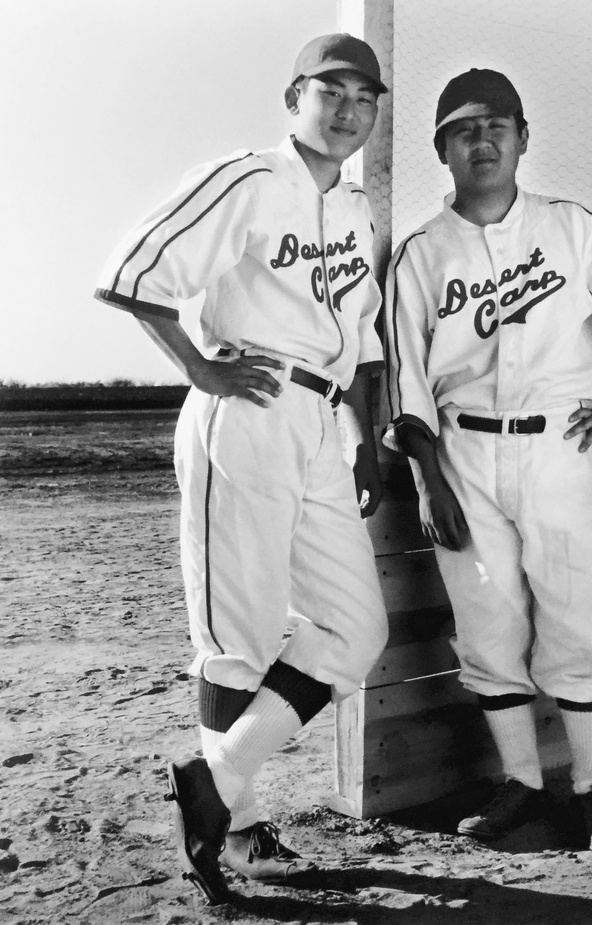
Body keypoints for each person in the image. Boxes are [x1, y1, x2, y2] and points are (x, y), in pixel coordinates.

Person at [95, 34, 389, 904]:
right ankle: (241, 826)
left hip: (321, 418)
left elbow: (361, 337)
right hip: (249, 403)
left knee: (355, 629)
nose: (347, 109)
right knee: (239, 638)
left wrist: (364, 437)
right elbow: (133, 271)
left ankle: (213, 783)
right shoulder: (251, 178)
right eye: (330, 91)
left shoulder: (358, 208)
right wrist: (199, 367)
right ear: (294, 98)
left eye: (363, 97)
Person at [382, 68, 592, 853]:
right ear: (442, 150)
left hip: (562, 444)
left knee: (577, 617)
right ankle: (520, 782)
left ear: (523, 138)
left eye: (496, 126)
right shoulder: (420, 253)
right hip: (464, 452)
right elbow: (406, 381)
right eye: (463, 130)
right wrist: (428, 479)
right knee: (487, 624)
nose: (481, 141)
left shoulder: (573, 227)